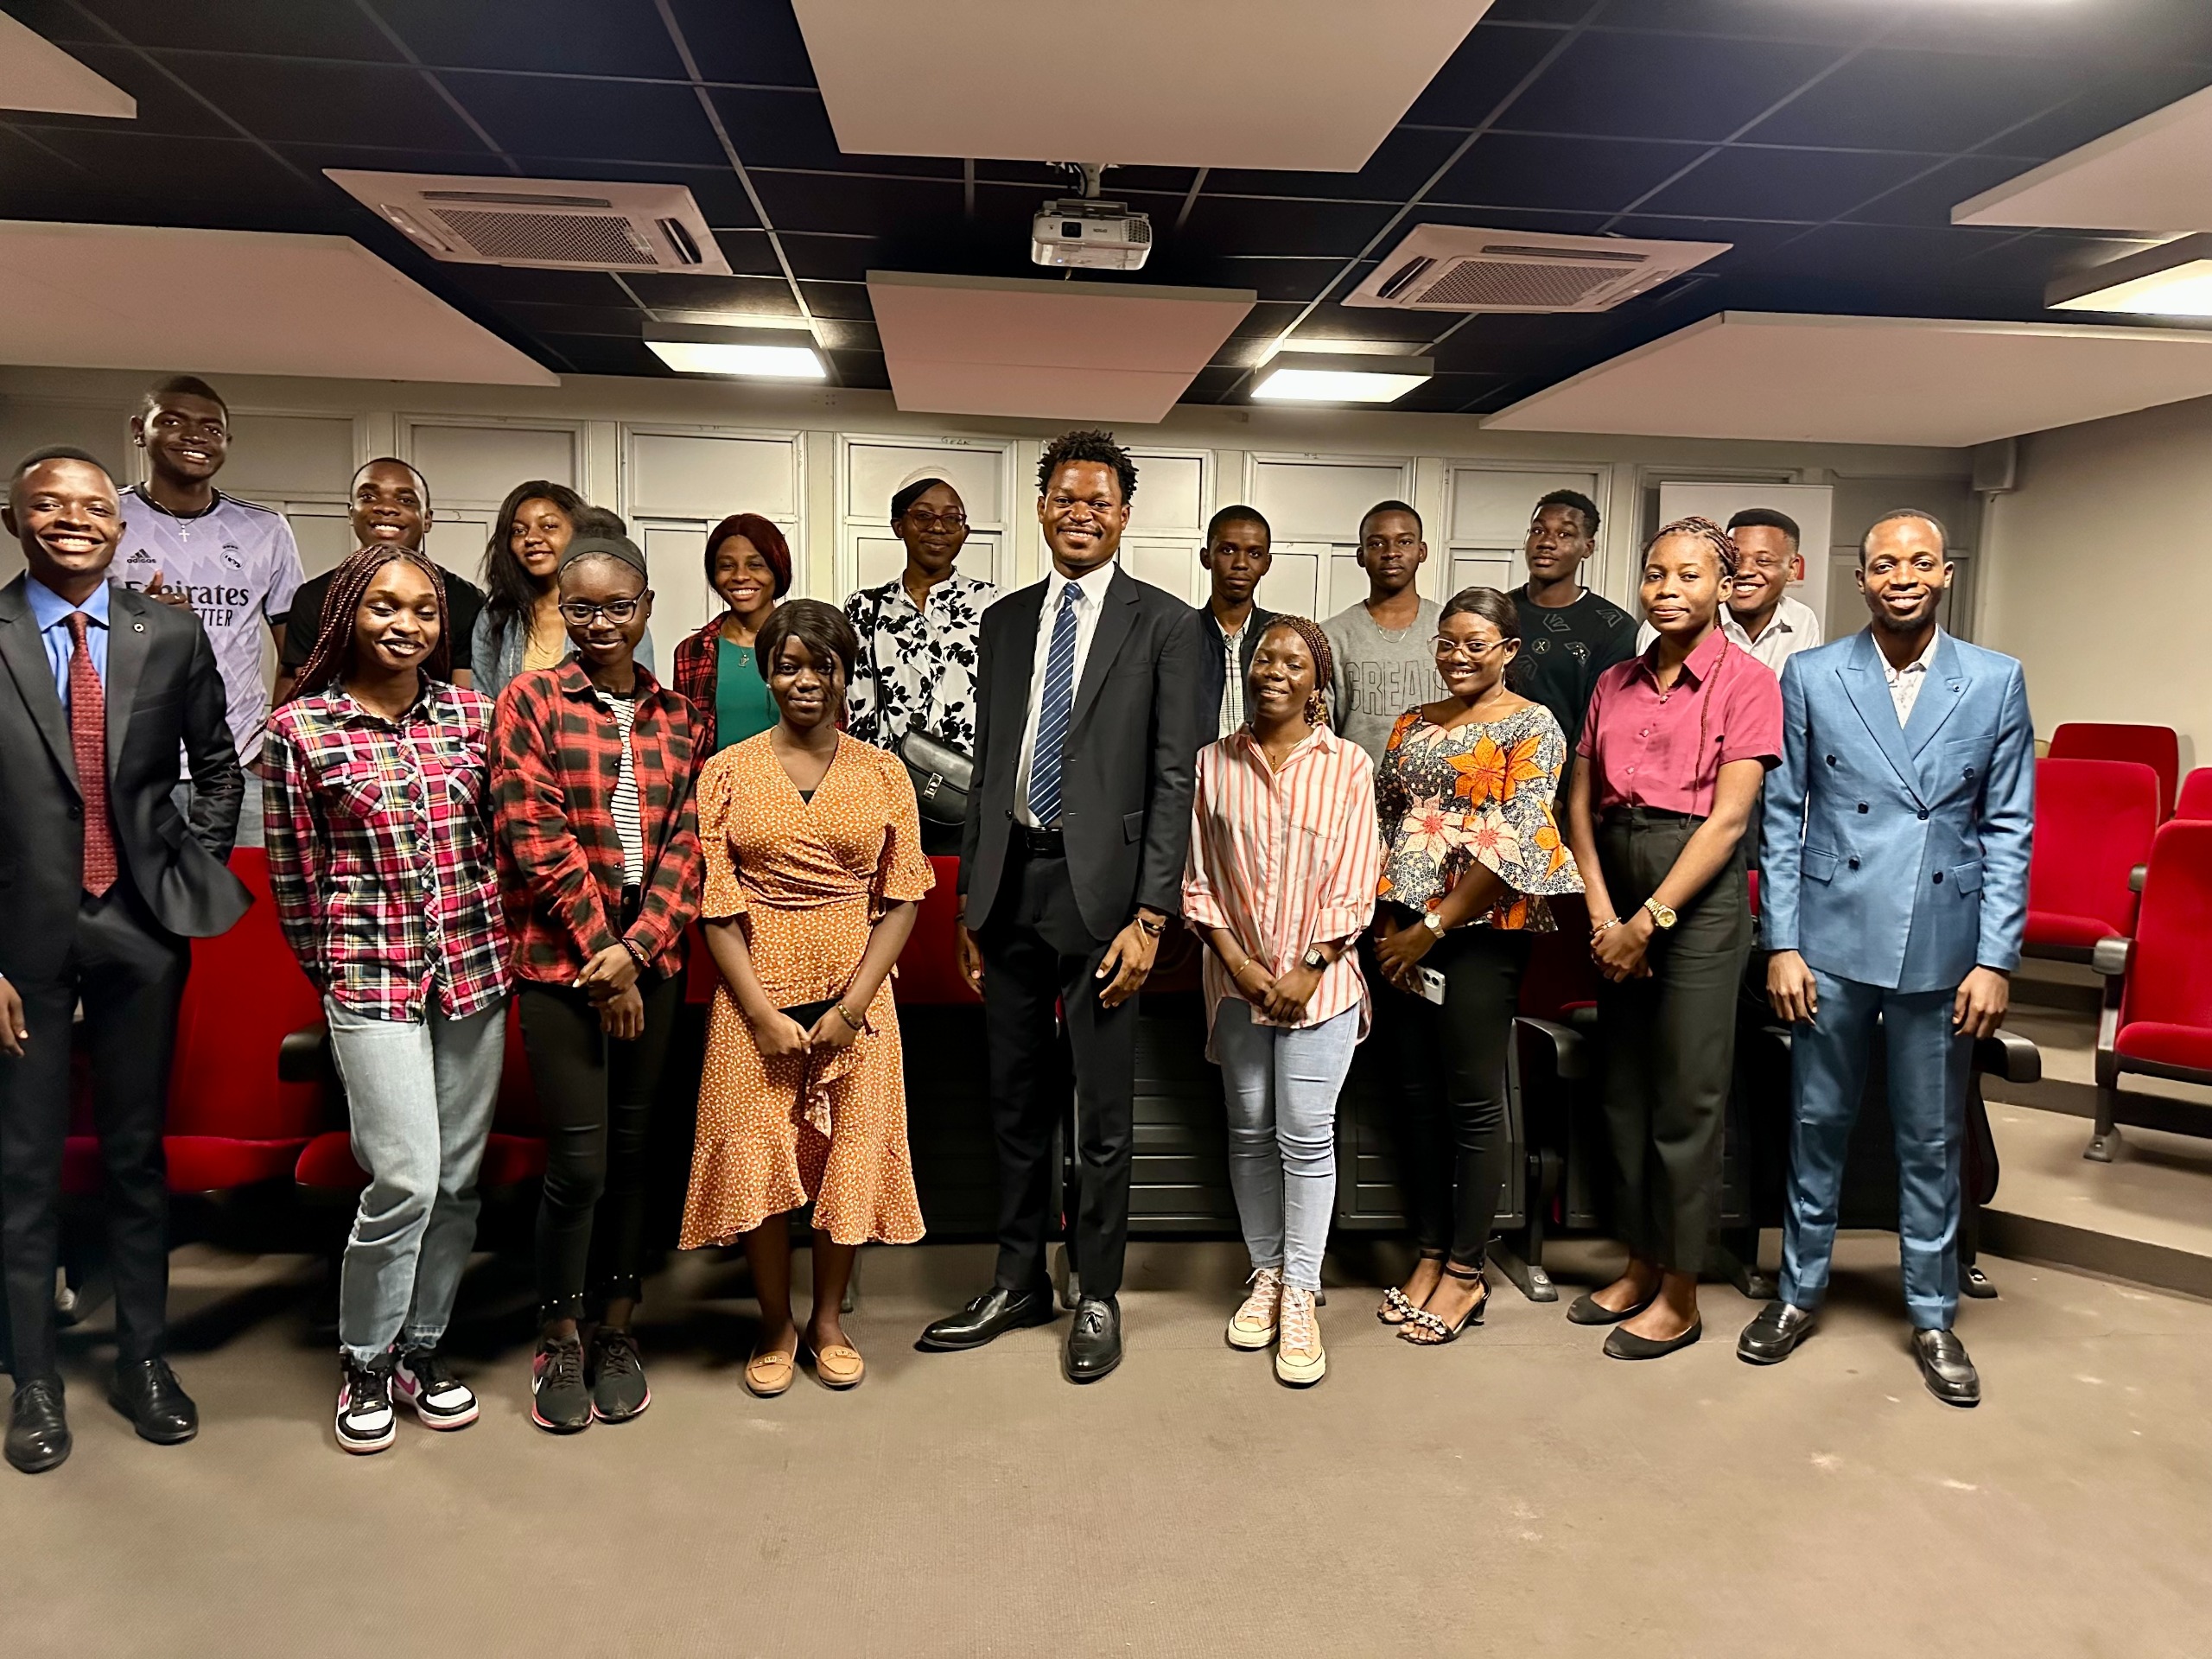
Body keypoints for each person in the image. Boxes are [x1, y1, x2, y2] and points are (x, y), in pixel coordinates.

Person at [918, 429, 1205, 1383]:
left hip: (1107, 902)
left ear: (1125, 515)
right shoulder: (1002, 623)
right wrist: (968, 903)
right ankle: (1016, 1278)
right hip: (1008, 890)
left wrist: (1152, 916)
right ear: (1041, 508)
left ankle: (1096, 1291)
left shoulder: (1168, 626)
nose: (1080, 513)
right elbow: (992, 763)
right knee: (1011, 1101)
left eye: (1100, 501)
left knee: (1104, 1113)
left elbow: (1175, 783)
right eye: (1064, 498)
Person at [1738, 510, 2031, 1408]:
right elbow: (1780, 819)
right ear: (1858, 579)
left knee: (1929, 1135)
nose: (1900, 575)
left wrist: (1995, 960)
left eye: (1918, 561)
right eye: (1881, 564)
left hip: (1943, 941)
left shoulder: (1994, 679)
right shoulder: (1814, 673)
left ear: (1944, 574)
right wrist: (1780, 943)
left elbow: (2009, 826)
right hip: (1827, 939)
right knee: (1817, 1124)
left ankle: (1933, 1310)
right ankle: (1798, 1291)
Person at [0, 448, 251, 1476]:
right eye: (48, 504)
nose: (73, 519)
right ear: (14, 518)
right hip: (19, 943)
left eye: (93, 507)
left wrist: (184, 871)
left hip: (140, 927)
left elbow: (218, 766)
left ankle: (146, 1360)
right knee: (22, 1168)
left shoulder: (169, 631)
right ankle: (37, 1381)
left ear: (119, 526)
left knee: (138, 1158)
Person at [262, 545, 508, 1454]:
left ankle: (423, 1347)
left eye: (424, 610)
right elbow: (294, 879)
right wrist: (333, 973)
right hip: (371, 978)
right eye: (384, 607)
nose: (406, 625)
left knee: (455, 1181)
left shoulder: (475, 719)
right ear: (345, 619)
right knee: (403, 1174)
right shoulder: (302, 732)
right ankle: (365, 1357)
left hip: (476, 970)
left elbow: (499, 840)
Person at [680, 601, 932, 1395]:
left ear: (844, 672)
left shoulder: (884, 772)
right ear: (765, 672)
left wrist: (852, 1007)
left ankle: (826, 1320)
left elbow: (903, 899)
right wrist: (759, 1014)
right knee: (758, 1160)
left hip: (856, 1003)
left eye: (822, 665)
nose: (805, 680)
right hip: (753, 1001)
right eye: (787, 664)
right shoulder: (726, 771)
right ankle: (774, 1323)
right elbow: (716, 907)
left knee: (847, 1159)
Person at [491, 532, 702, 1433]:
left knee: (632, 1158)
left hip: (650, 965)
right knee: (577, 1165)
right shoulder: (529, 702)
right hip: (560, 964)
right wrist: (601, 954)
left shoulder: (681, 716)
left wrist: (641, 950)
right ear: (559, 612)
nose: (602, 623)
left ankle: (619, 1324)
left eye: (619, 606)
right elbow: (529, 829)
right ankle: (561, 1330)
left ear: (647, 607)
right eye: (582, 608)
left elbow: (692, 844)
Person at [1565, 518, 1780, 1361]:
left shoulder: (1747, 682)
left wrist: (1649, 920)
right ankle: (1638, 1261)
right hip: (1611, 881)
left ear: (1721, 587)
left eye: (1688, 576)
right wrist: (1598, 913)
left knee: (1685, 1102)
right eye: (1655, 574)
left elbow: (1729, 822)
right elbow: (1579, 803)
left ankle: (1682, 1294)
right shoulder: (1611, 678)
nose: (1666, 589)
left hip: (1693, 896)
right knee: (1622, 1092)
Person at [1368, 588, 1583, 1347]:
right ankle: (1429, 1252)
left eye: (1476, 645)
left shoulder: (1533, 726)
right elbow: (1389, 825)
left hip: (1484, 930)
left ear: (1509, 651)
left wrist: (1432, 926)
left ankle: (1466, 1270)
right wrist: (1394, 926)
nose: (1459, 657)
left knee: (1472, 1102)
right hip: (1402, 934)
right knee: (1417, 1100)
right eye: (1448, 643)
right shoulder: (1413, 724)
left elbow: (1518, 841)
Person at [1183, 615, 1379, 1387]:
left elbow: (1358, 875)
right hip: (1234, 981)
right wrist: (1238, 962)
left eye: (1294, 662)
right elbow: (1196, 877)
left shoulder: (1349, 765)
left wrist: (1308, 967)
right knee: (1248, 1130)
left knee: (1304, 1134)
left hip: (1319, 988)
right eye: (1265, 658)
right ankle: (1265, 1274)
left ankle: (1301, 1288)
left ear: (1316, 682)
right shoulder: (1211, 764)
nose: (1276, 670)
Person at [117, 375, 306, 849]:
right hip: (125, 762)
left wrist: (272, 740)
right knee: (131, 914)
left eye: (211, 427)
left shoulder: (266, 529)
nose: (195, 436)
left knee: (236, 914)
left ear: (227, 441)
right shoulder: (105, 517)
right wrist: (135, 620)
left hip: (235, 764)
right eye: (173, 421)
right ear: (141, 430)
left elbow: (298, 650)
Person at [276, 460, 486, 702]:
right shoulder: (315, 597)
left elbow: (464, 700)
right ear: (351, 513)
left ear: (427, 519)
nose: (386, 508)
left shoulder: (464, 599)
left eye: (405, 500)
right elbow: (305, 691)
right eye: (368, 497)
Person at [844, 477, 998, 761]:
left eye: (952, 519)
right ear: (898, 526)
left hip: (968, 783)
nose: (938, 527)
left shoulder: (994, 604)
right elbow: (857, 702)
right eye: (923, 516)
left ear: (965, 531)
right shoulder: (865, 607)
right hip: (886, 782)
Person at [1511, 489, 1637, 782]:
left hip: (1567, 784)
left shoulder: (1614, 627)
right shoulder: (1497, 613)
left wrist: (1563, 790)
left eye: (1565, 535)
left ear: (1587, 547)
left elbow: (1597, 724)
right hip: (1485, 773)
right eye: (1538, 530)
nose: (1546, 542)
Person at [1321, 500, 1443, 764]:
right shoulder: (1331, 636)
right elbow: (1320, 733)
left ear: (1422, 551)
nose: (1391, 553)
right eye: (1377, 543)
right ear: (1361, 556)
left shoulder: (1451, 629)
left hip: (1444, 795)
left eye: (1404, 542)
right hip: (1357, 794)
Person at [1635, 507, 1822, 674]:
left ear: (1792, 569)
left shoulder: (1802, 620)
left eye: (1763, 561)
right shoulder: (1673, 616)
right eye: (1736, 559)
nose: (1745, 571)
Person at [671, 513, 789, 760]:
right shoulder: (691, 652)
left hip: (802, 794)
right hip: (720, 794)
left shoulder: (810, 644)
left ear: (777, 569)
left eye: (755, 564)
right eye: (727, 566)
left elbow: (835, 731)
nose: (740, 576)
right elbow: (685, 745)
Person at [471, 480, 587, 700]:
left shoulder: (612, 612)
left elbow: (637, 701)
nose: (532, 538)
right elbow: (484, 705)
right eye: (518, 531)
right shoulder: (495, 615)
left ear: (578, 533)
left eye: (549, 526)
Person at [1194, 505, 1276, 741]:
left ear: (1267, 564)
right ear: (1206, 557)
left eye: (1254, 553)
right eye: (1228, 550)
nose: (1241, 563)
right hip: (1197, 773)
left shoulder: (1281, 636)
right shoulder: (1180, 633)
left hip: (1268, 773)